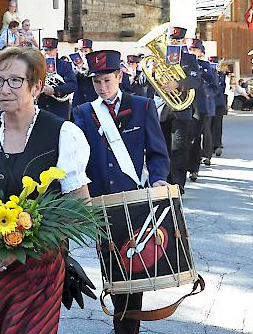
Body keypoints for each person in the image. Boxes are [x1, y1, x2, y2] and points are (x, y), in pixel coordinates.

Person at [0, 47, 90, 333]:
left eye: (15, 81)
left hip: (38, 269)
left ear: (36, 86)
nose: (4, 89)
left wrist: (26, 245)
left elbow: (81, 207)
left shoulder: (63, 134)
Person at [73, 49, 169, 334]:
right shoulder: (84, 112)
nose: (103, 88)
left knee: (135, 271)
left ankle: (128, 329)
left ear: (119, 76)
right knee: (114, 273)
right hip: (102, 204)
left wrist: (159, 178)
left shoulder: (142, 106)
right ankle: (123, 326)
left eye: (107, 80)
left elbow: (157, 152)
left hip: (136, 202)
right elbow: (79, 158)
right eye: (97, 82)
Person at [147, 26, 201, 193]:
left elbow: (195, 80)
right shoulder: (157, 59)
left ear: (183, 41)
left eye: (177, 40)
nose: (174, 42)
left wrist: (178, 84)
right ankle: (164, 182)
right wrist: (152, 70)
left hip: (182, 109)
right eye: (171, 39)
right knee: (162, 148)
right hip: (161, 110)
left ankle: (178, 184)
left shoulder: (189, 59)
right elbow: (143, 80)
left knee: (179, 149)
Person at [187, 39, 217, 182]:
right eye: (190, 49)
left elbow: (214, 84)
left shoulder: (206, 66)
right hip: (183, 103)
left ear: (200, 51)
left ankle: (194, 169)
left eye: (195, 49)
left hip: (199, 105)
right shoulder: (182, 63)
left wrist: (201, 72)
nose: (192, 51)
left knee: (195, 138)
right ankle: (181, 167)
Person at [38, 37, 77, 120]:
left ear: (56, 50)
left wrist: (54, 90)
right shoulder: (37, 66)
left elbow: (73, 85)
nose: (48, 53)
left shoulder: (65, 65)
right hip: (41, 107)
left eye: (50, 50)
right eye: (45, 50)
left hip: (58, 109)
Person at [71, 38, 98, 111]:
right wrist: (76, 70)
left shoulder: (96, 63)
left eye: (86, 51)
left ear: (90, 51)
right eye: (81, 51)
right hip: (79, 98)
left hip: (92, 96)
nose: (83, 53)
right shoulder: (73, 64)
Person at [210, 58, 227, 158]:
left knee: (217, 124)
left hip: (219, 102)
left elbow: (222, 88)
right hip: (210, 101)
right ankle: (209, 145)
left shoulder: (221, 75)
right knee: (209, 125)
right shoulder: (207, 73)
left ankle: (216, 144)